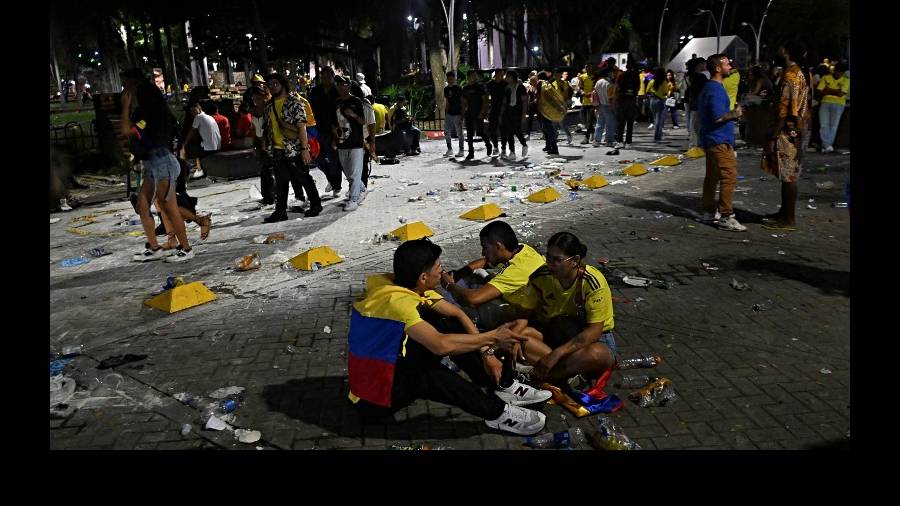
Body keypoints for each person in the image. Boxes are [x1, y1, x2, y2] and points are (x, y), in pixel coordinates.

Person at [347, 239, 548, 435]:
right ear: (423, 277)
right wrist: (494, 337)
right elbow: (440, 346)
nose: (443, 273)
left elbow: (457, 313)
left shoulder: (400, 283)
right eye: (439, 268)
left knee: (446, 322)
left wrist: (487, 354)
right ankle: (497, 413)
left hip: (393, 364)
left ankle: (499, 384)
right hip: (371, 401)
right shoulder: (396, 303)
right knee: (426, 374)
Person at [516, 232, 618, 385]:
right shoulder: (540, 277)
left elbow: (594, 331)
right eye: (548, 257)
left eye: (558, 259)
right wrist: (513, 337)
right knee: (523, 336)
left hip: (590, 340)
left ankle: (541, 375)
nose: (550, 263)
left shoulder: (591, 281)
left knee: (597, 354)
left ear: (575, 260)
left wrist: (557, 353)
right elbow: (524, 314)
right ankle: (566, 374)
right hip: (556, 333)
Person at [119, 68, 194, 263]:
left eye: (127, 84)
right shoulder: (148, 114)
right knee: (143, 205)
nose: (125, 88)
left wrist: (125, 106)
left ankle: (186, 248)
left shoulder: (148, 113)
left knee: (169, 207)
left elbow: (126, 129)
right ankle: (154, 247)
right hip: (153, 163)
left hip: (163, 163)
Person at [439, 221, 546, 331]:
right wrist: (459, 274)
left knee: (466, 300)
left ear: (498, 246)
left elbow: (473, 299)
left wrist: (450, 285)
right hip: (521, 303)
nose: (483, 252)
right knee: (471, 277)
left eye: (485, 247)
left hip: (521, 314)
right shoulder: (523, 250)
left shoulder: (516, 269)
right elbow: (485, 262)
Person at [761, 41, 811, 231]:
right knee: (787, 175)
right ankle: (784, 213)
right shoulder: (799, 72)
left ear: (786, 51)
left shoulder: (790, 75)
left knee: (789, 176)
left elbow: (784, 110)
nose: (778, 50)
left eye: (781, 47)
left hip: (788, 132)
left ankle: (788, 219)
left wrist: (773, 138)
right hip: (796, 129)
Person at [261, 72, 322, 222]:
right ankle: (280, 211)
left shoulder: (294, 102)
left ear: (282, 84)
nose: (272, 87)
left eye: (275, 83)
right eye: (270, 85)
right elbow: (267, 127)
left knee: (303, 177)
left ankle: (316, 204)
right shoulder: (269, 105)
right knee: (281, 182)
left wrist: (304, 149)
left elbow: (302, 127)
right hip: (277, 149)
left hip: (294, 148)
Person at [698, 54, 746, 232]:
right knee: (728, 176)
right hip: (719, 139)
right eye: (726, 64)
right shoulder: (716, 89)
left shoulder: (709, 87)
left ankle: (709, 213)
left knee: (712, 177)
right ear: (717, 68)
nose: (730, 66)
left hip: (711, 138)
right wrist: (736, 113)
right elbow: (718, 116)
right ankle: (726, 216)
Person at [333, 75, 367, 212]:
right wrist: (334, 138)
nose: (340, 87)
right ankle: (362, 188)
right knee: (348, 173)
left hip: (356, 142)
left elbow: (363, 121)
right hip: (342, 142)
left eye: (343, 84)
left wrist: (352, 114)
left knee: (354, 172)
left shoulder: (356, 101)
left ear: (349, 86)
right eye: (338, 84)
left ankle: (353, 199)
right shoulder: (335, 102)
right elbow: (333, 122)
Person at [308, 67, 343, 198]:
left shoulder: (336, 91)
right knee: (318, 158)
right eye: (323, 77)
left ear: (332, 76)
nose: (326, 79)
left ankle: (337, 186)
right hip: (317, 130)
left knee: (334, 160)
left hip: (333, 130)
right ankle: (332, 180)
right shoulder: (316, 91)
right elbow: (310, 109)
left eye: (328, 76)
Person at [816, 61, 849, 153]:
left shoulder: (846, 80)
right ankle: (827, 145)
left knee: (833, 126)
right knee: (823, 125)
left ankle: (826, 145)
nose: (839, 73)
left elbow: (841, 93)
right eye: (837, 71)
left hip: (839, 104)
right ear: (834, 71)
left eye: (841, 72)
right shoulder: (826, 77)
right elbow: (819, 90)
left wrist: (828, 90)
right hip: (826, 103)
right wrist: (836, 91)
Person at [182, 101, 221, 179]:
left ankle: (198, 170)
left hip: (210, 148)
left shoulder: (198, 117)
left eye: (193, 110)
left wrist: (185, 142)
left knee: (189, 148)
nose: (192, 113)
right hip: (218, 146)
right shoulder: (209, 116)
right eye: (190, 111)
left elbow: (192, 131)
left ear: (199, 109)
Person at [534, 71, 565, 155]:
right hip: (547, 110)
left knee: (548, 129)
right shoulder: (548, 84)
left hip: (543, 110)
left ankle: (554, 148)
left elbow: (539, 96)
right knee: (546, 128)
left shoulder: (541, 83)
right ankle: (549, 146)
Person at [501, 70, 528, 160]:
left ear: (511, 77)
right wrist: (502, 113)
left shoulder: (521, 87)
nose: (505, 78)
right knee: (509, 132)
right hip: (508, 112)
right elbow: (505, 102)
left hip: (518, 112)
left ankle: (524, 144)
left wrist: (524, 115)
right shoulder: (506, 88)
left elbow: (524, 102)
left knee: (517, 131)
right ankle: (512, 152)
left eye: (507, 76)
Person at [462, 69, 489, 160]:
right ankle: (471, 152)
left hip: (478, 112)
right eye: (472, 76)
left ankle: (488, 144)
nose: (474, 77)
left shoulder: (480, 87)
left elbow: (485, 100)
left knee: (480, 132)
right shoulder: (465, 88)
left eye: (475, 75)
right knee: (469, 134)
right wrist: (463, 113)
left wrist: (482, 112)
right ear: (468, 77)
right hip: (469, 112)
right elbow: (464, 102)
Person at [615, 59, 641, 149]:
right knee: (630, 123)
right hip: (631, 101)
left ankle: (619, 141)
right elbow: (638, 88)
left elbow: (617, 87)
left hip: (622, 100)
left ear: (626, 67)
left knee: (620, 123)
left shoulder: (621, 75)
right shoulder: (636, 76)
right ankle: (628, 142)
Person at [442, 71, 465, 157]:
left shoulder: (458, 88)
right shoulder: (446, 89)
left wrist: (462, 113)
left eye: (451, 78)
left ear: (454, 78)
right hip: (449, 114)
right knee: (446, 131)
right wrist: (446, 113)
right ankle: (449, 149)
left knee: (460, 133)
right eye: (448, 78)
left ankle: (461, 150)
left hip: (458, 113)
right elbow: (447, 101)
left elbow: (462, 101)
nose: (449, 80)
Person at [592, 69, 617, 147]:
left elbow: (594, 93)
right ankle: (609, 141)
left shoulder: (598, 82)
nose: (614, 75)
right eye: (612, 73)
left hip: (600, 105)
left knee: (599, 123)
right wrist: (613, 106)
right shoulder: (609, 84)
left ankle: (596, 141)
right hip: (607, 105)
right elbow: (610, 98)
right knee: (610, 124)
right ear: (609, 74)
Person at [485, 69, 508, 157]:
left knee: (503, 130)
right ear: (497, 74)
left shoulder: (505, 84)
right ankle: (495, 147)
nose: (503, 76)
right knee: (492, 129)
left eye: (503, 74)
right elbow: (486, 98)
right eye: (501, 74)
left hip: (504, 109)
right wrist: (486, 110)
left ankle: (503, 148)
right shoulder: (490, 84)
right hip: (494, 109)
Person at [551, 68, 574, 145]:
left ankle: (568, 135)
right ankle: (555, 138)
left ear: (560, 74)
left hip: (563, 105)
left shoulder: (566, 83)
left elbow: (571, 92)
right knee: (554, 122)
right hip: (555, 105)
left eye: (558, 74)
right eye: (555, 74)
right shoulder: (552, 84)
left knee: (561, 122)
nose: (556, 75)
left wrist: (568, 101)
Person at [646, 67, 669, 142]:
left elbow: (647, 90)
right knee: (659, 119)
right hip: (660, 100)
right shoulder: (664, 81)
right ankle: (657, 136)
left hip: (652, 100)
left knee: (655, 118)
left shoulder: (652, 81)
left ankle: (657, 135)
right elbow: (666, 92)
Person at [577, 64, 596, 144]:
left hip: (593, 101)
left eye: (589, 67)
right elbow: (581, 87)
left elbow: (596, 87)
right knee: (583, 119)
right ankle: (593, 131)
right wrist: (582, 92)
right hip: (584, 101)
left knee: (589, 120)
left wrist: (591, 93)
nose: (588, 68)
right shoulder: (582, 76)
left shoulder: (595, 76)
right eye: (586, 67)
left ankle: (586, 138)